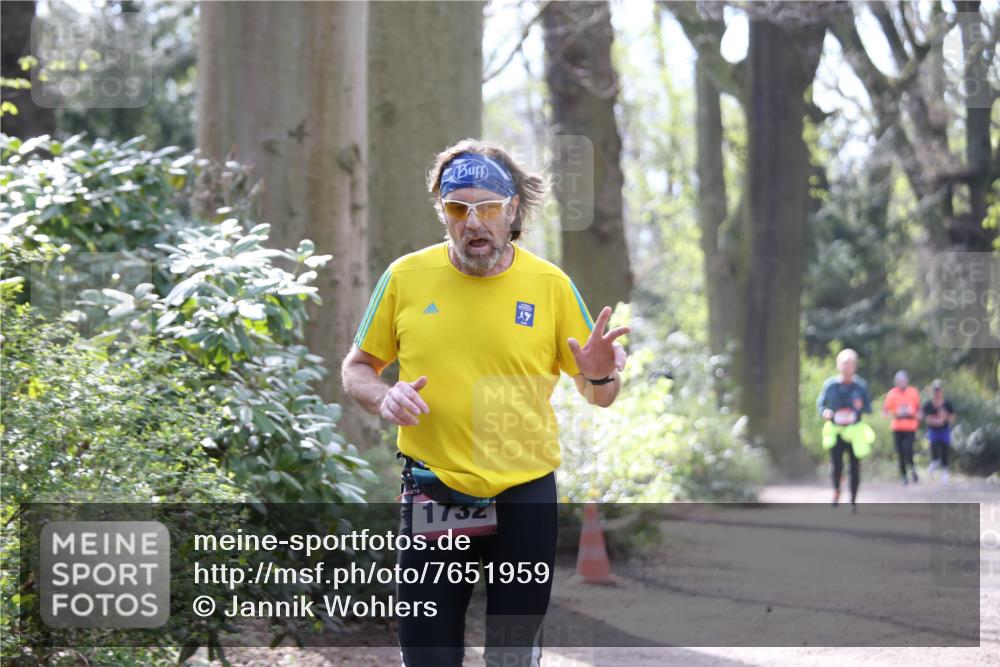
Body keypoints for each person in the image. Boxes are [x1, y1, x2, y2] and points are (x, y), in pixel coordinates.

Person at [341, 139, 629, 667]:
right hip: (435, 489)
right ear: (443, 213)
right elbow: (357, 367)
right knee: (428, 657)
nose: (474, 223)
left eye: (488, 208)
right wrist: (384, 396)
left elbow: (600, 395)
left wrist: (599, 373)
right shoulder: (405, 277)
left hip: (525, 496)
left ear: (512, 210)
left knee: (512, 657)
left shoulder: (550, 286)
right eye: (458, 209)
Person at [816, 349, 875, 512]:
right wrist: (825, 412)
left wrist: (861, 407)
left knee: (855, 466)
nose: (847, 367)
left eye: (850, 364)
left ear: (855, 366)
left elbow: (869, 408)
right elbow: (820, 404)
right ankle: (836, 491)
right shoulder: (830, 385)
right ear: (838, 365)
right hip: (836, 431)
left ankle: (853, 499)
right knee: (836, 465)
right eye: (844, 363)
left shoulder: (861, 386)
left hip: (855, 432)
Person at [882, 370, 922, 485]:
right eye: (899, 381)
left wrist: (917, 414)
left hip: (910, 427)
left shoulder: (913, 392)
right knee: (900, 452)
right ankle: (903, 475)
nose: (901, 383)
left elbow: (919, 409)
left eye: (903, 380)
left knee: (908, 449)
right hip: (897, 427)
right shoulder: (892, 394)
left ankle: (912, 468)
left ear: (907, 381)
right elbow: (885, 411)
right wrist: (894, 413)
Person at [923, 379, 956, 483]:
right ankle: (934, 464)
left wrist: (945, 416)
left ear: (942, 391)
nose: (937, 393)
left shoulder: (947, 404)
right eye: (935, 391)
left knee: (945, 450)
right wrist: (935, 421)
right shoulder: (929, 404)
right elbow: (926, 418)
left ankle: (945, 472)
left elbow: (952, 418)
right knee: (934, 449)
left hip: (944, 430)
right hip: (933, 430)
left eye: (939, 390)